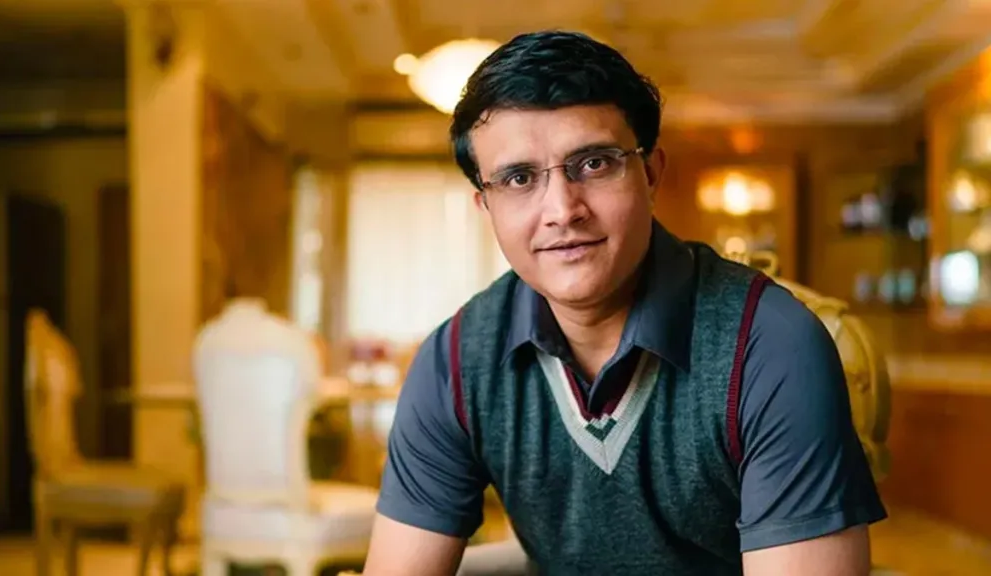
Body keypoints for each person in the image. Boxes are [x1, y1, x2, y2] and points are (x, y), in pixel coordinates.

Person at [362, 30, 886, 576]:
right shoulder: (454, 361)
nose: (562, 210)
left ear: (651, 174)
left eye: (593, 164)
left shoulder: (769, 343)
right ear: (485, 206)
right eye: (518, 178)